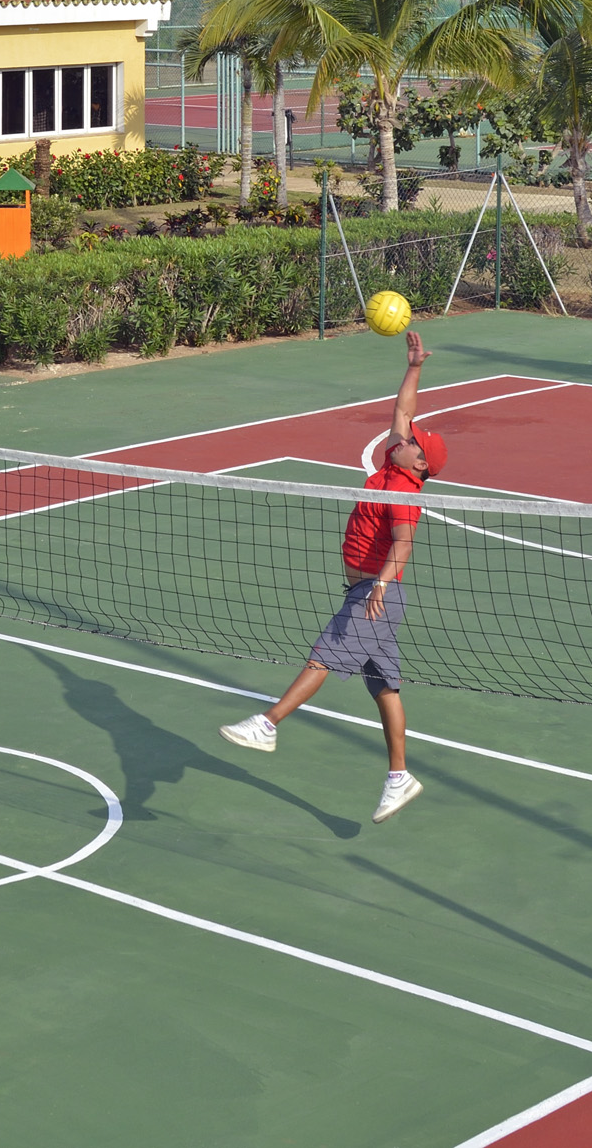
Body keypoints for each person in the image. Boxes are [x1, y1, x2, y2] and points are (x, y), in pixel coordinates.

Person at [220, 330, 443, 824]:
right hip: (372, 591)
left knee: (324, 655)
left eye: (411, 443)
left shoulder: (404, 492)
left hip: (374, 595)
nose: (403, 437)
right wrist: (414, 367)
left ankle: (268, 723)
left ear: (421, 463)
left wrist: (381, 585)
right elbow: (402, 412)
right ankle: (399, 777)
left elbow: (404, 545)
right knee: (385, 688)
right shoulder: (393, 464)